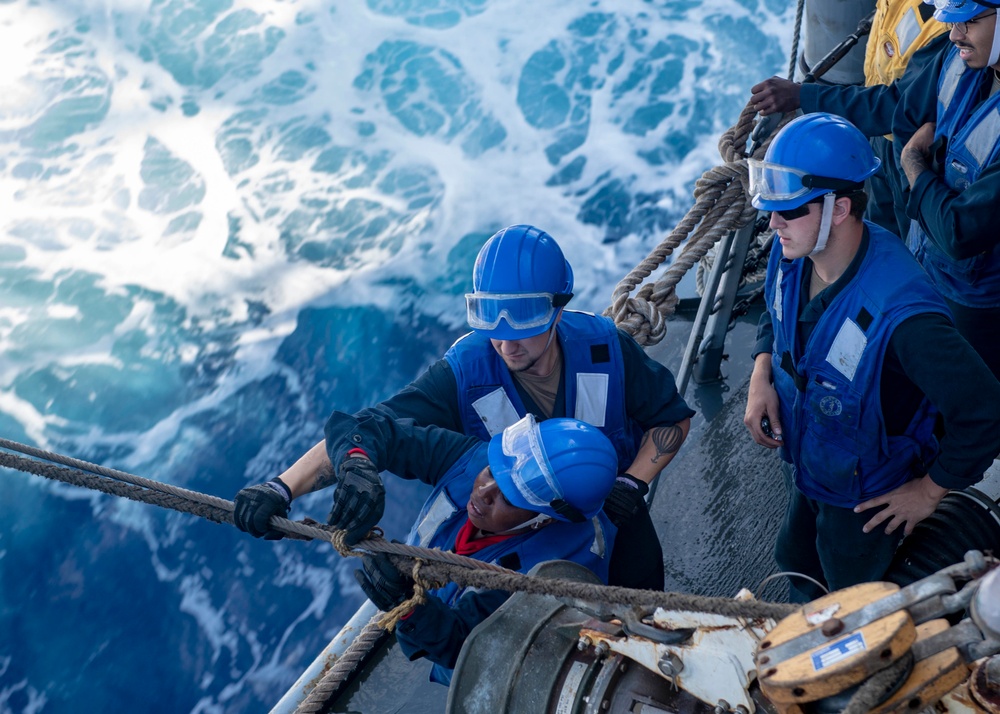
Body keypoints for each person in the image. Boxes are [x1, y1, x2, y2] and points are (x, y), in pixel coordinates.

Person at [327, 224, 693, 590]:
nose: (506, 343)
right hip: (519, 548)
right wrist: (284, 489)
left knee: (644, 611)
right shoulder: (465, 372)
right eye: (493, 319)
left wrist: (631, 483)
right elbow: (370, 426)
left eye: (524, 320)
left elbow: (671, 419)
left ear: (557, 309)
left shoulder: (605, 348)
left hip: (615, 520)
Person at [742, 113, 1000, 602]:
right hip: (810, 463)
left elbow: (984, 411)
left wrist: (928, 492)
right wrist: (761, 372)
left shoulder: (903, 316)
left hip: (866, 500)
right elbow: (774, 313)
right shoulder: (792, 250)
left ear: (838, 208)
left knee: (855, 602)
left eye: (789, 211)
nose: (773, 223)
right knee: (795, 560)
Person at [234, 412, 618, 685]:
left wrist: (409, 607)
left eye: (506, 497)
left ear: (545, 519)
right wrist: (354, 465)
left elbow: (476, 647)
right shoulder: (473, 460)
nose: (482, 493)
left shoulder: (557, 568)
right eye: (491, 474)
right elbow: (364, 428)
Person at [749, 0, 950, 237]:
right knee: (879, 228)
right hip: (880, 139)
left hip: (912, 147)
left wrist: (802, 95)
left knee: (913, 235)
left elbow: (899, 104)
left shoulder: (943, 23)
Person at [894, 0, 1000, 381]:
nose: (955, 35)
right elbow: (904, 116)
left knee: (974, 400)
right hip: (925, 266)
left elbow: (960, 232)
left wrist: (913, 164)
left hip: (974, 304)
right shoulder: (970, 65)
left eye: (969, 21)